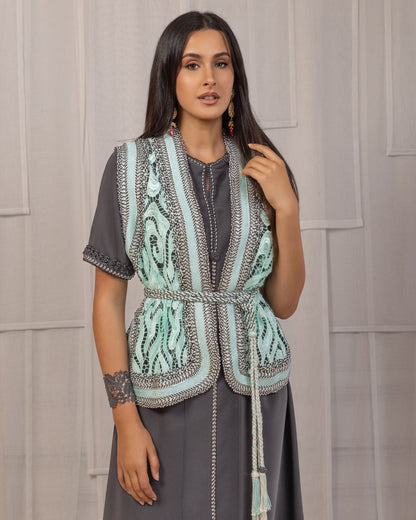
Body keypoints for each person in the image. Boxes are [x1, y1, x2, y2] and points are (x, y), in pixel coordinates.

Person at [82, 10, 305, 520]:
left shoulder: (266, 169)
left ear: (235, 75)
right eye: (192, 64)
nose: (210, 78)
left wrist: (287, 208)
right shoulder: (130, 167)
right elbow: (107, 301)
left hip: (255, 394)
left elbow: (284, 303)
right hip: (163, 395)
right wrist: (125, 420)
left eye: (221, 63)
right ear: (170, 76)